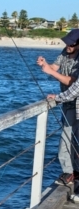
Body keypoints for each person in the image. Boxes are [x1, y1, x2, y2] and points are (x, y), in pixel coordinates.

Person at [37, 29, 79, 185]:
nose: (68, 45)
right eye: (67, 42)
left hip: (74, 102)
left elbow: (74, 84)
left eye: (72, 43)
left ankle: (69, 172)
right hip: (66, 102)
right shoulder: (65, 52)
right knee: (71, 137)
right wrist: (45, 64)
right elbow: (54, 67)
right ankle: (74, 171)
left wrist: (58, 96)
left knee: (67, 138)